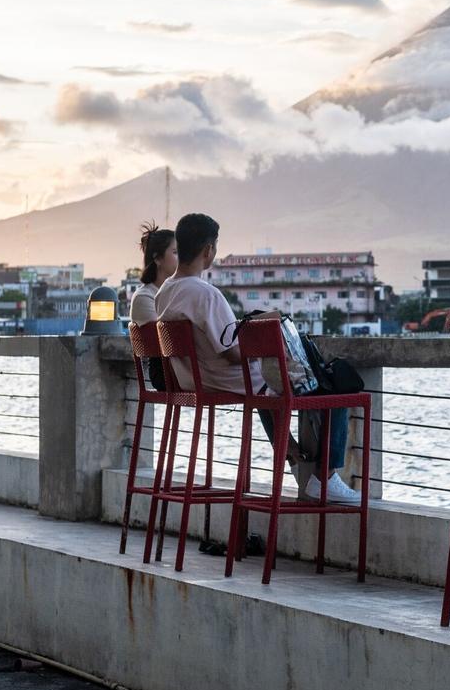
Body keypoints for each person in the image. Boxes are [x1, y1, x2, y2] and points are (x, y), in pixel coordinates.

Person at [155, 213, 358, 504]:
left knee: (269, 381)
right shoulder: (205, 294)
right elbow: (232, 353)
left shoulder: (165, 292)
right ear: (208, 250)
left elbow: (218, 338)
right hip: (228, 380)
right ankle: (324, 478)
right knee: (335, 387)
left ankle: (288, 449)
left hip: (195, 381)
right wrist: (265, 343)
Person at [130, 222, 178, 389]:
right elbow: (165, 341)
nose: (182, 258)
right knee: (253, 381)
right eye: (175, 252)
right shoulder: (144, 297)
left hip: (183, 368)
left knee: (256, 380)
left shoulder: (177, 292)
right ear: (157, 258)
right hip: (166, 373)